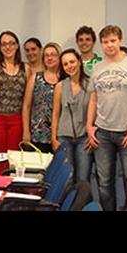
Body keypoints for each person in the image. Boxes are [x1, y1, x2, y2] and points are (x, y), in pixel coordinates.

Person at [87, 25, 127, 211]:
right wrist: (89, 126)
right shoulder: (97, 67)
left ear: (120, 40)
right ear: (101, 44)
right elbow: (93, 99)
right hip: (103, 133)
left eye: (113, 41)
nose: (109, 45)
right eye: (105, 42)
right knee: (104, 183)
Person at [0, 31, 31, 175]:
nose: (8, 47)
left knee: (14, 161)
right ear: (0, 47)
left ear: (17, 46)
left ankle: (12, 189)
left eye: (11, 43)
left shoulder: (26, 68)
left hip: (17, 120)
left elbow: (27, 103)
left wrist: (26, 129)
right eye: (4, 44)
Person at [52, 49, 92, 184]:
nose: (70, 66)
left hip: (84, 138)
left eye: (72, 62)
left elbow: (96, 112)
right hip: (64, 137)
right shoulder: (60, 86)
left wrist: (92, 133)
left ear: (79, 62)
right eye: (65, 64)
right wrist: (53, 138)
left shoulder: (90, 85)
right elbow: (55, 114)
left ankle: (82, 199)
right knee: (66, 178)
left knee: (83, 178)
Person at [22, 42, 62, 153]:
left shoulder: (65, 79)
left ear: (59, 56)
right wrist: (26, 130)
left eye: (53, 55)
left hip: (60, 134)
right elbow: (26, 106)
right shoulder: (35, 77)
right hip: (37, 134)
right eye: (46, 55)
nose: (49, 58)